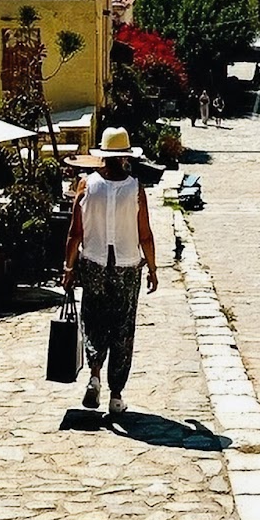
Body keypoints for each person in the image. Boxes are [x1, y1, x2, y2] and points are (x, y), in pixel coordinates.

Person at [62, 127, 158, 417]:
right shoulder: (136, 189)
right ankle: (117, 395)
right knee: (122, 328)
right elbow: (145, 235)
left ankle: (94, 375)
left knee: (93, 319)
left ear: (102, 156)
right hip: (127, 266)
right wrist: (153, 268)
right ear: (126, 157)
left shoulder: (85, 186)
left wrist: (68, 267)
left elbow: (74, 232)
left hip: (93, 262)